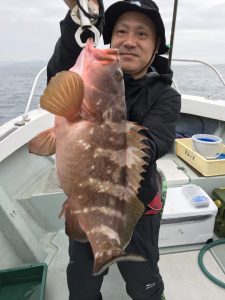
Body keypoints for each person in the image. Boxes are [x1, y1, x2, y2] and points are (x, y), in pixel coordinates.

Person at [47, 1, 181, 299]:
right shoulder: (95, 75)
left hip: (140, 207)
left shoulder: (166, 96)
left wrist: (105, 125)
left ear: (157, 44)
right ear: (111, 37)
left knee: (144, 284)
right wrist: (84, 16)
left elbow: (157, 141)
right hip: (84, 203)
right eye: (120, 31)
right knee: (81, 285)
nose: (129, 41)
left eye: (142, 34)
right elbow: (60, 71)